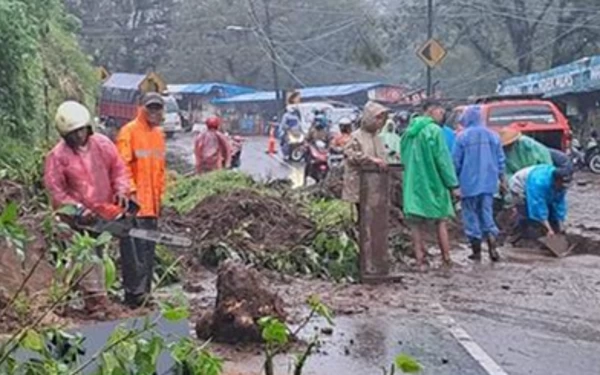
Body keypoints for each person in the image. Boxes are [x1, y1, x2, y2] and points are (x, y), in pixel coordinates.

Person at [44, 101, 129, 315]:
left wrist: (121, 190)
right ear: (64, 134)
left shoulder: (102, 144)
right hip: (73, 219)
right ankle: (92, 302)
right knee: (82, 256)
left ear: (87, 127)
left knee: (97, 255)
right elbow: (56, 192)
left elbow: (119, 169)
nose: (78, 136)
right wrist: (77, 209)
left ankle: (93, 298)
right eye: (72, 133)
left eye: (81, 130)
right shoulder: (57, 157)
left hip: (101, 212)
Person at [116, 92, 166, 309]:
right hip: (135, 204)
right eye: (150, 108)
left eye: (158, 108)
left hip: (152, 205)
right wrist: (131, 193)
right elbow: (122, 166)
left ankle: (144, 292)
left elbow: (160, 170)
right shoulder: (128, 132)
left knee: (147, 251)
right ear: (141, 107)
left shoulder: (158, 135)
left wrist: (160, 197)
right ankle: (133, 294)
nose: (154, 112)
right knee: (133, 251)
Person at [401, 101, 459, 271]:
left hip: (412, 182)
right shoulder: (434, 131)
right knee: (441, 220)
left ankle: (420, 259)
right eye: (441, 111)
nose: (442, 115)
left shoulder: (407, 134)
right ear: (432, 110)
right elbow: (442, 160)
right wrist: (452, 184)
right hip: (433, 182)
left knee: (414, 223)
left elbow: (402, 157)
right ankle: (446, 258)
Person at [453, 106, 506, 262]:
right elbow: (501, 160)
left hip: (468, 183)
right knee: (486, 212)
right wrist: (502, 180)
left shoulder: (462, 138)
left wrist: (454, 183)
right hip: (489, 182)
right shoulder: (493, 136)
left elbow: (455, 162)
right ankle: (491, 241)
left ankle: (476, 251)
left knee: (470, 214)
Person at [342, 101, 389, 207]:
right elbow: (350, 155)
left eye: (382, 118)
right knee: (362, 212)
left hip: (376, 183)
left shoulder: (378, 138)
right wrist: (370, 159)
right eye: (377, 118)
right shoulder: (356, 136)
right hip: (360, 182)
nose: (380, 122)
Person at [509, 165, 570, 238]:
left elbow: (559, 204)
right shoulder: (539, 184)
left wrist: (561, 226)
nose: (563, 188)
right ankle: (521, 233)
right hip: (520, 184)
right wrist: (549, 229)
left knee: (552, 217)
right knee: (526, 212)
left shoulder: (561, 186)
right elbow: (538, 207)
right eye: (561, 186)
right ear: (555, 181)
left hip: (538, 178)